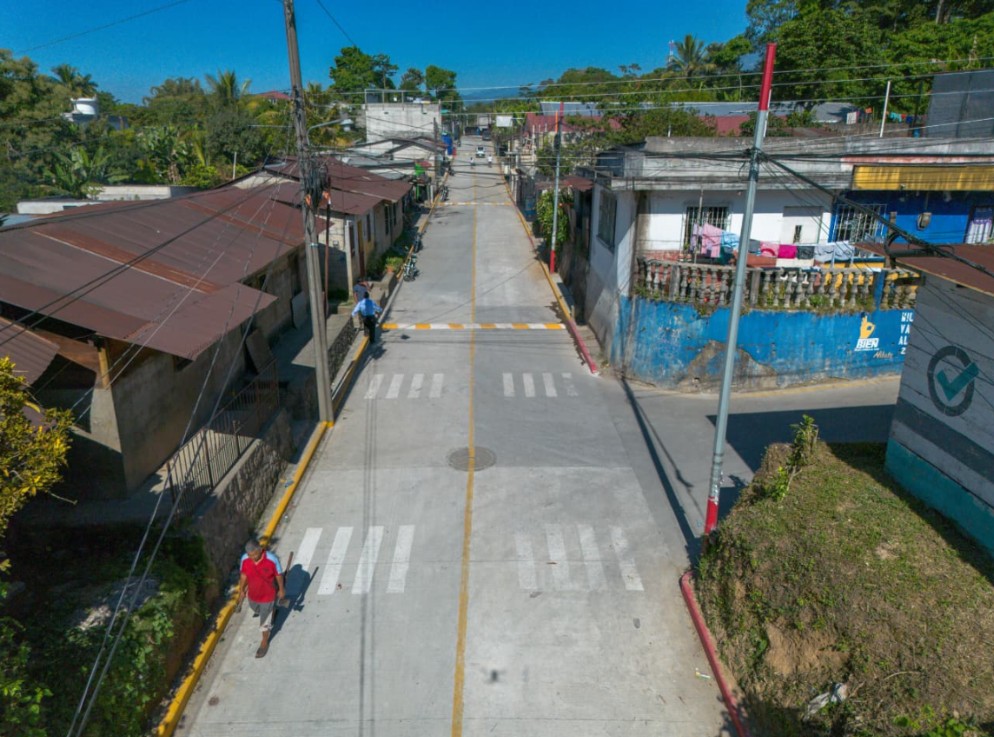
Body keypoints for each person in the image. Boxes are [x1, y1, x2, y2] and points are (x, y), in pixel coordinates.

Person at [235, 538, 287, 658]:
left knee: (264, 623)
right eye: (250, 555)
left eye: (255, 555)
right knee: (256, 609)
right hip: (253, 595)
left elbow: (278, 575)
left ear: (260, 549)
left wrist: (281, 589)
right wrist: (241, 590)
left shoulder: (272, 559)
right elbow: (244, 575)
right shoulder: (245, 559)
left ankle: (264, 642)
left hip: (268, 596)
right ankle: (272, 610)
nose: (252, 558)